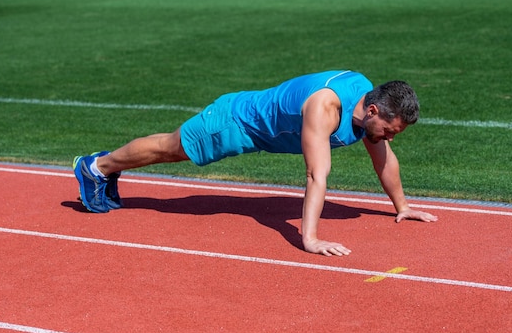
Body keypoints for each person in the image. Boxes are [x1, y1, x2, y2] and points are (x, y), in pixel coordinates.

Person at [73, 70, 438, 256]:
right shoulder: (326, 107)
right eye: (389, 130)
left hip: (262, 131)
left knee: (171, 148)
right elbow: (316, 174)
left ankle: (104, 168)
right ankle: (97, 167)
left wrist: (403, 207)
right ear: (373, 110)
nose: (389, 138)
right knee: (171, 148)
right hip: (238, 122)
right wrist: (308, 238)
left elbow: (384, 160)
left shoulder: (369, 112)